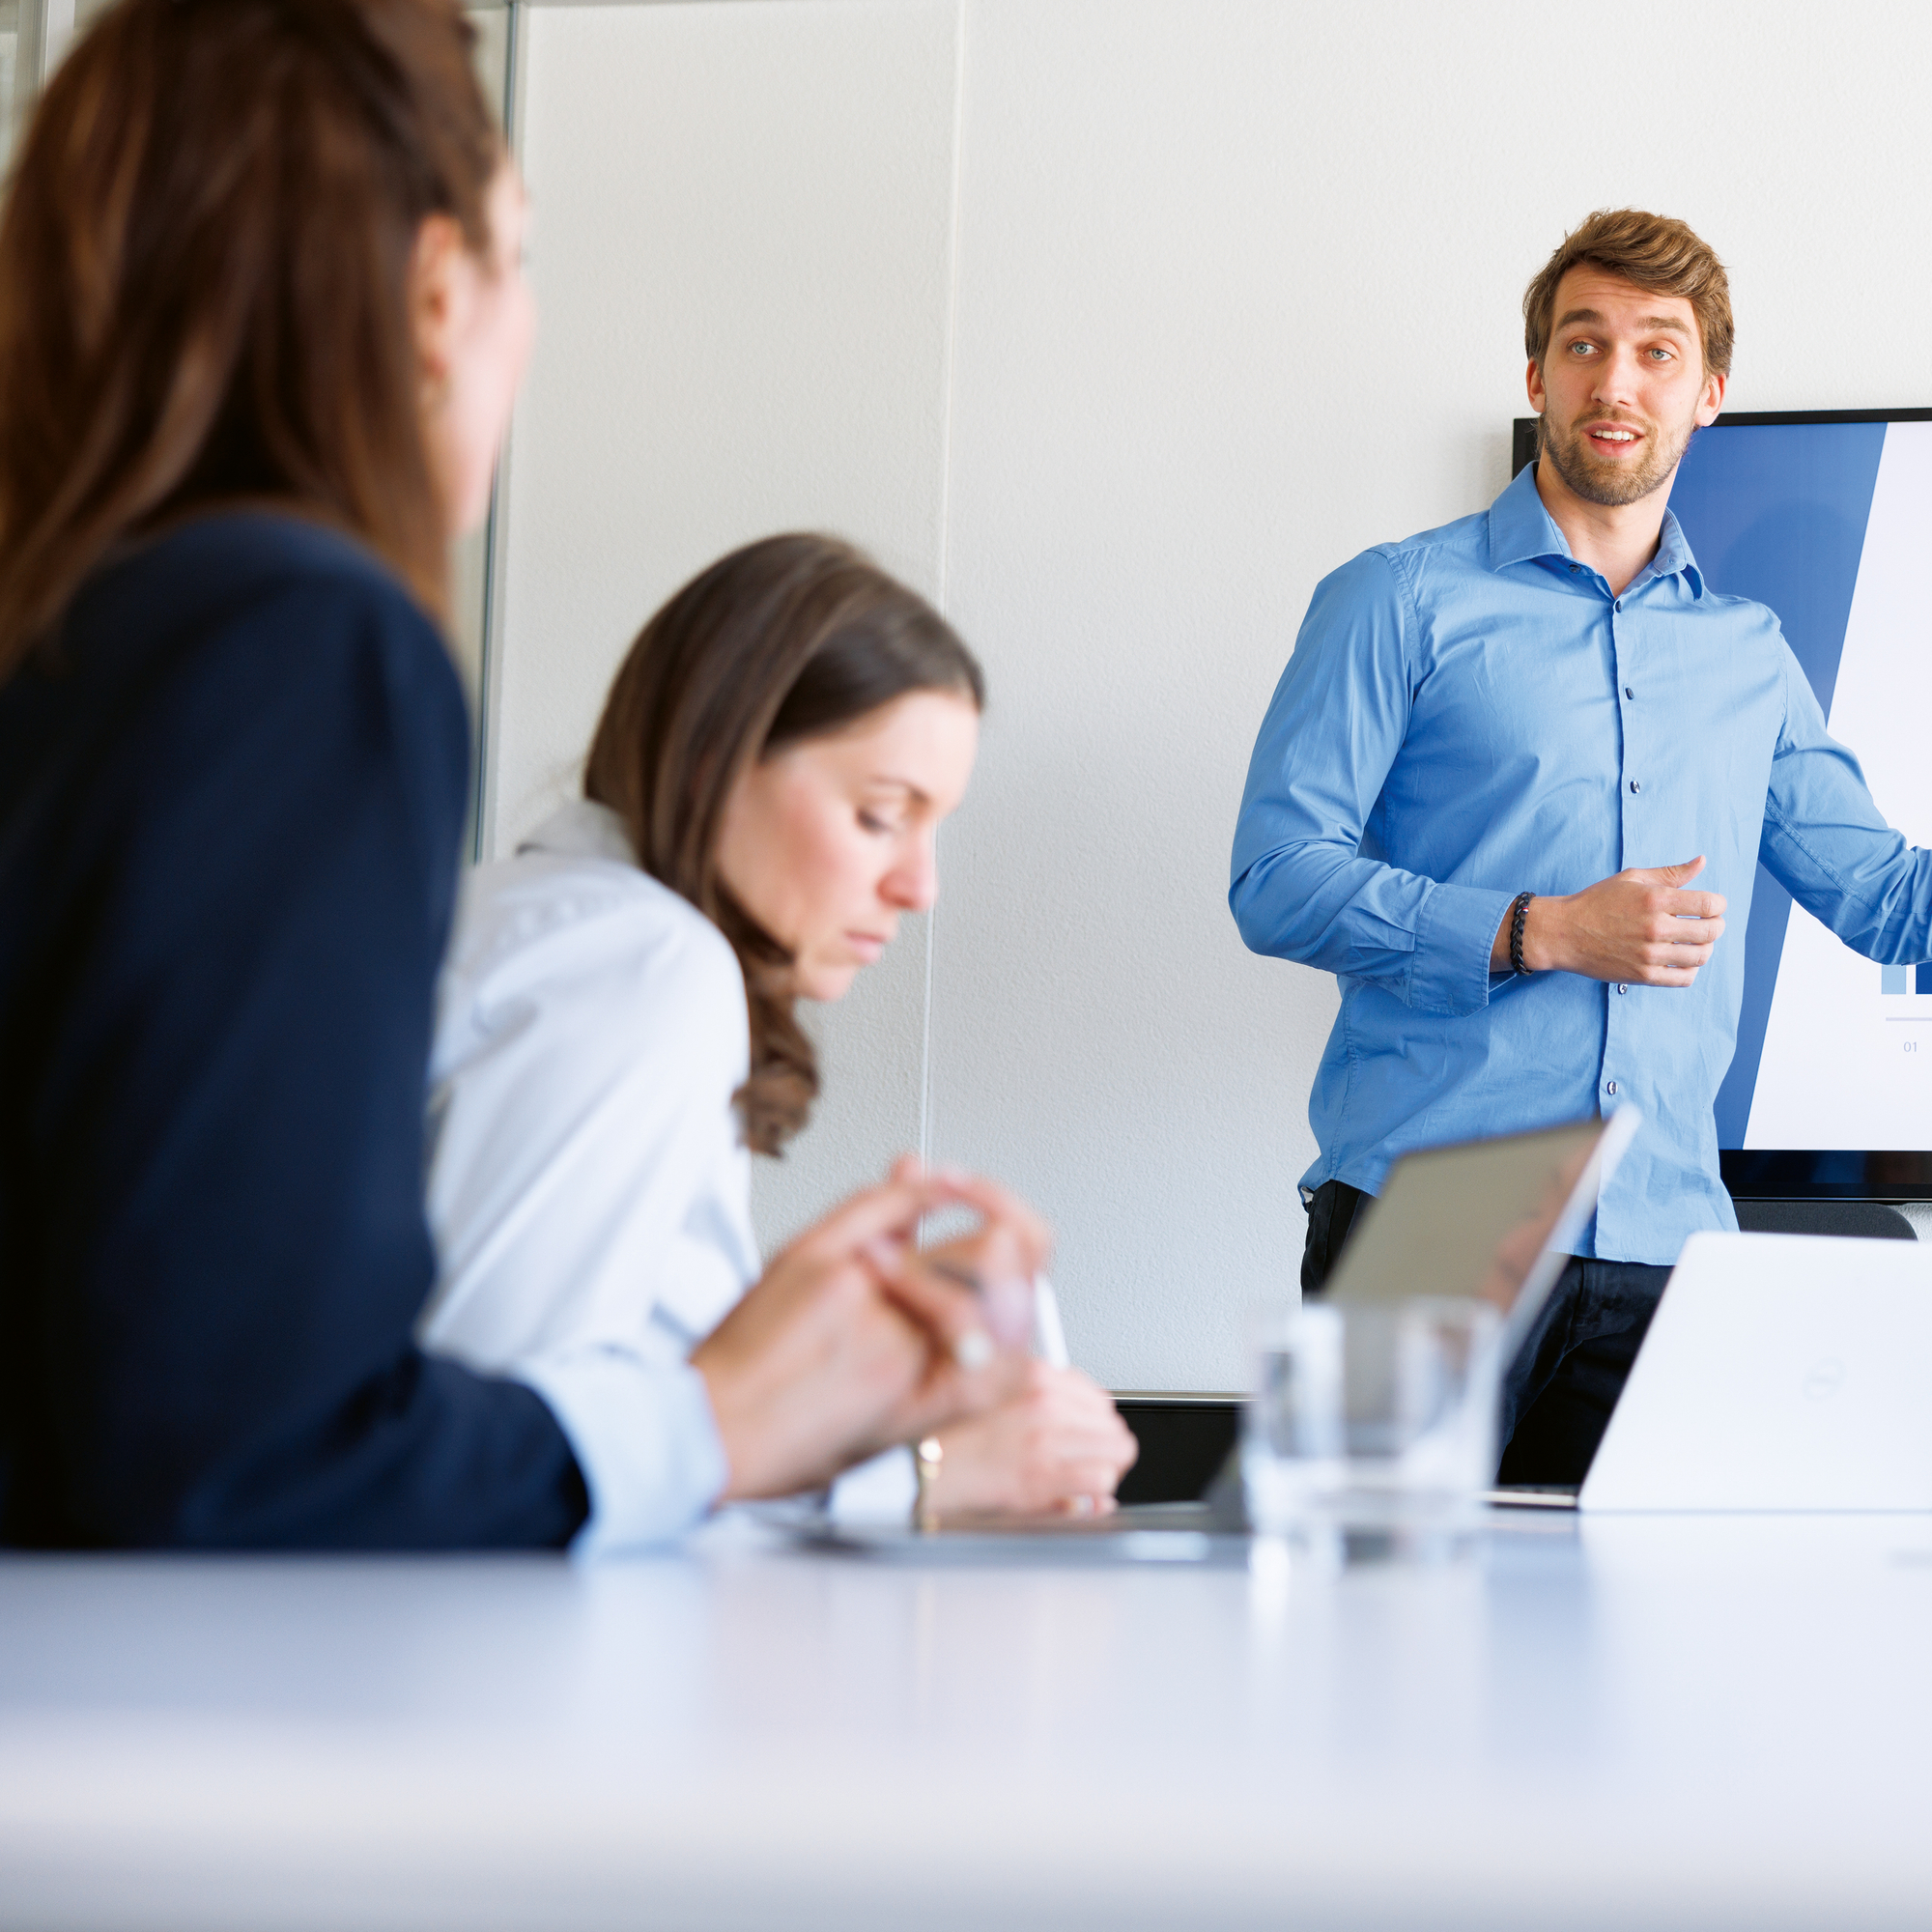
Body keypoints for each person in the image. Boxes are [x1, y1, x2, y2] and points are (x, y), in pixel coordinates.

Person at [0, 0, 1036, 1550]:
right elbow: (235, 1450)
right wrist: (732, 1418)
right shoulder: (301, 639)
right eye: (521, 252)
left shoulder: (74, 631)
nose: (915, 880)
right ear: (434, 291)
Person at [1230, 208, 1932, 1484]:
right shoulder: (1396, 599)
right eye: (1585, 342)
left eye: (1659, 350)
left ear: (1710, 392)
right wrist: (1538, 927)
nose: (1617, 380)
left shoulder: (1750, 656)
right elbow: (1277, 879)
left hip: (1668, 1251)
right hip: (1427, 1232)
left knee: (1633, 1669)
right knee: (1365, 1647)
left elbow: (1887, 896)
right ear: (1538, 374)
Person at [419, 535, 1139, 1520]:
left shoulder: (532, 919)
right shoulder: (648, 965)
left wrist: (858, 1375)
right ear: (718, 757)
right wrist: (925, 1477)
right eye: (881, 815)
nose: (919, 886)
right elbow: (489, 1453)